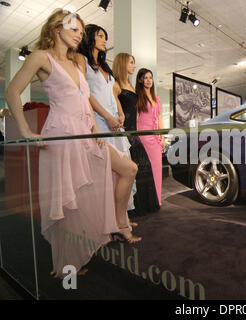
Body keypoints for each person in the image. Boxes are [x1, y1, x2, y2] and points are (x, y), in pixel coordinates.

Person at [4, 9, 140, 277]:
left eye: (81, 31)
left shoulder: (77, 62)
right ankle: (68, 266)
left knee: (128, 169)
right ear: (56, 29)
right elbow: (12, 92)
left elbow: (83, 98)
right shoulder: (40, 58)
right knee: (68, 203)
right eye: (74, 30)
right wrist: (25, 130)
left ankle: (114, 226)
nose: (80, 35)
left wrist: (93, 127)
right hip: (62, 134)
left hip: (85, 135)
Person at [75, 24, 137, 214]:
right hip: (98, 121)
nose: (104, 40)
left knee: (122, 172)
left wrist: (120, 113)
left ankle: (121, 217)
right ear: (89, 37)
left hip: (114, 124)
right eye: (100, 36)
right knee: (103, 174)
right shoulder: (81, 59)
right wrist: (107, 116)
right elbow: (85, 93)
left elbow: (112, 93)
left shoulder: (104, 65)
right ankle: (106, 220)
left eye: (105, 37)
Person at [113, 54, 160, 214]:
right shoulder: (117, 85)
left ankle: (144, 207)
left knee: (144, 169)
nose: (134, 65)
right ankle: (130, 212)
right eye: (131, 63)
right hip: (125, 134)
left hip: (135, 134)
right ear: (123, 63)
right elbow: (112, 107)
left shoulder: (132, 87)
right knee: (131, 172)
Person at [136, 69, 164, 207]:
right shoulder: (138, 97)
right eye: (145, 77)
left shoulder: (156, 98)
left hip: (156, 139)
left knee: (157, 170)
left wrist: (162, 137)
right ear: (140, 80)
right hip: (143, 138)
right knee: (147, 171)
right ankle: (148, 201)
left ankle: (157, 199)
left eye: (150, 77)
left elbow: (159, 117)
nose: (148, 80)